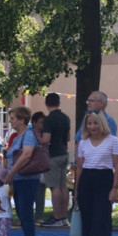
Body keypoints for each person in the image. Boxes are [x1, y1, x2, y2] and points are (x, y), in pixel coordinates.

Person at [76, 112, 118, 236]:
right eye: (89, 124)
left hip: (104, 179)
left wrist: (115, 187)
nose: (92, 127)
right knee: (88, 218)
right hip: (86, 180)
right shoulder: (83, 142)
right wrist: (76, 191)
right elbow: (80, 168)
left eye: (95, 123)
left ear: (101, 124)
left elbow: (117, 166)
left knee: (100, 218)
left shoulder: (113, 141)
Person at [3, 106, 41, 236]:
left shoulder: (28, 135)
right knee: (21, 212)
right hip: (19, 179)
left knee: (26, 212)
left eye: (13, 119)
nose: (11, 121)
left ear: (22, 120)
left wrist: (11, 173)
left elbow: (26, 155)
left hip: (27, 179)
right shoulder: (17, 136)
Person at [40, 92, 71, 228]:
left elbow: (46, 139)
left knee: (54, 187)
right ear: (59, 103)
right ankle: (64, 216)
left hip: (53, 155)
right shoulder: (65, 118)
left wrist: (38, 140)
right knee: (63, 186)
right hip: (64, 153)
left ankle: (57, 216)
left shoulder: (49, 119)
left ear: (46, 104)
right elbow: (68, 137)